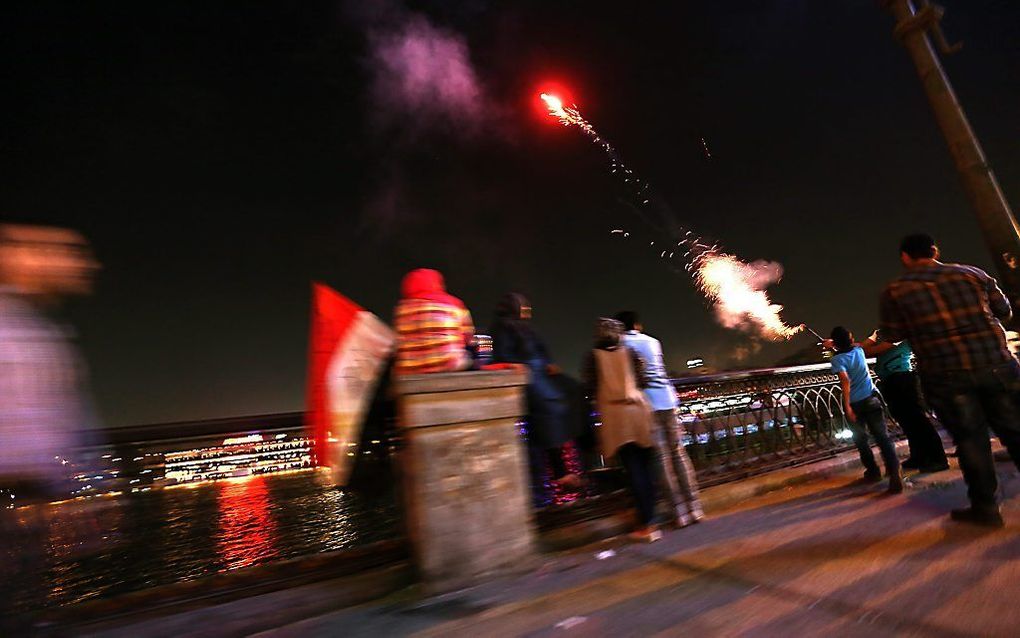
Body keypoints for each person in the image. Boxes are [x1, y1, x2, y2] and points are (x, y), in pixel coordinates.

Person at [880, 233, 1020, 527]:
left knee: (971, 441)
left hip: (946, 376)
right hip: (996, 365)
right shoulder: (973, 274)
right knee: (1016, 430)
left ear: (905, 257)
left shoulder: (895, 291)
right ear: (934, 250)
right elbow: (1005, 312)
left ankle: (985, 508)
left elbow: (892, 335)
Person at [0, 223, 101, 629]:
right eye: (60, 252)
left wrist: (81, 484)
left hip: (29, 502)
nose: (83, 264)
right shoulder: (16, 329)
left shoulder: (37, 327)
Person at [490, 293, 581, 500]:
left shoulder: (527, 328)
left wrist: (549, 363)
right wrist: (513, 365)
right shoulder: (503, 326)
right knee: (548, 411)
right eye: (523, 308)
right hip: (526, 376)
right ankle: (557, 475)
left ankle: (568, 465)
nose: (526, 312)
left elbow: (541, 349)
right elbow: (503, 354)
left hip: (540, 373)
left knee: (570, 393)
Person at [616, 310, 703, 527]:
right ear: (637, 324)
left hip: (648, 406)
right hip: (669, 399)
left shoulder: (621, 345)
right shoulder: (654, 342)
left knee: (661, 459)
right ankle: (695, 507)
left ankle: (679, 512)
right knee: (679, 454)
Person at [582, 317, 661, 542]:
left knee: (633, 469)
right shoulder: (631, 353)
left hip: (615, 418)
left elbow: (589, 388)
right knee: (646, 468)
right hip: (639, 412)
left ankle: (646, 525)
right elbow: (644, 380)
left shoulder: (592, 358)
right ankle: (651, 519)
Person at [827, 326, 903, 494]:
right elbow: (864, 343)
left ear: (836, 344)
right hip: (871, 399)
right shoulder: (859, 351)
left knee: (861, 440)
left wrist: (846, 406)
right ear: (851, 340)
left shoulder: (837, 360)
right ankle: (894, 470)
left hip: (855, 404)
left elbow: (845, 382)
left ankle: (873, 472)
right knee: (882, 437)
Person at [858, 332, 948, 472]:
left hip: (902, 378)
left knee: (918, 420)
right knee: (907, 421)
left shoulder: (898, 334)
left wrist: (872, 338)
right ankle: (918, 456)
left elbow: (866, 351)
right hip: (892, 379)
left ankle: (938, 459)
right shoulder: (888, 334)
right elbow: (861, 349)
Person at [392, 268, 475, 375]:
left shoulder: (401, 310)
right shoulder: (453, 304)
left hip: (408, 371)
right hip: (449, 366)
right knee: (474, 356)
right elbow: (468, 336)